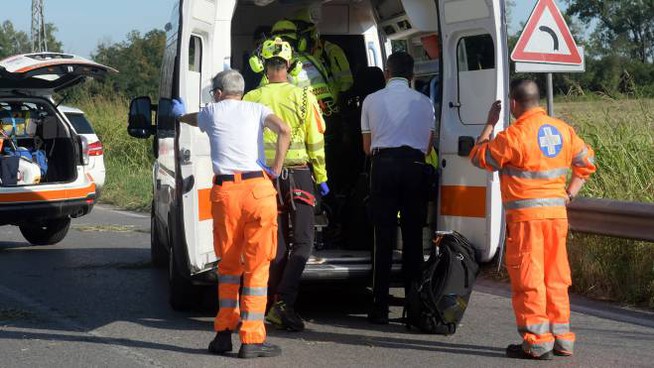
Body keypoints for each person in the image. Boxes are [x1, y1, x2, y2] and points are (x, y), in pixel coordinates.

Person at [469, 79, 596, 360]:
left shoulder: (513, 136)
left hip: (527, 221)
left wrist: (490, 124)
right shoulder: (564, 131)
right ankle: (563, 338)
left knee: (530, 277)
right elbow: (587, 162)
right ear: (537, 101)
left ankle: (537, 341)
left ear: (513, 104)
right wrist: (569, 194)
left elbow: (479, 158)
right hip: (556, 218)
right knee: (556, 277)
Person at [174, 69, 291, 359]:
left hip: (226, 196)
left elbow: (192, 119)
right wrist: (275, 168)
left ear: (217, 93)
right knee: (257, 267)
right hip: (258, 191)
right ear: (240, 91)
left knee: (228, 268)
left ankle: (224, 334)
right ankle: (251, 340)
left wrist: (180, 115)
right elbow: (285, 130)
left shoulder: (211, 112)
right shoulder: (257, 109)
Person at [243, 37, 328, 332]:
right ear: (290, 65)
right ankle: (283, 303)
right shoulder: (305, 97)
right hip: (300, 175)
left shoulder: (251, 99)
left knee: (275, 245)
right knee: (303, 243)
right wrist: (322, 176)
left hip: (264, 178)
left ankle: (268, 303)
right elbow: (315, 140)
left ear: (262, 65)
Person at [361, 51, 435, 324]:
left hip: (383, 167)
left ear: (386, 73)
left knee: (383, 238)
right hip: (415, 167)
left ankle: (379, 307)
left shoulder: (371, 100)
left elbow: (367, 148)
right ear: (413, 75)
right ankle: (414, 308)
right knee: (413, 239)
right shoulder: (426, 103)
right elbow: (427, 147)